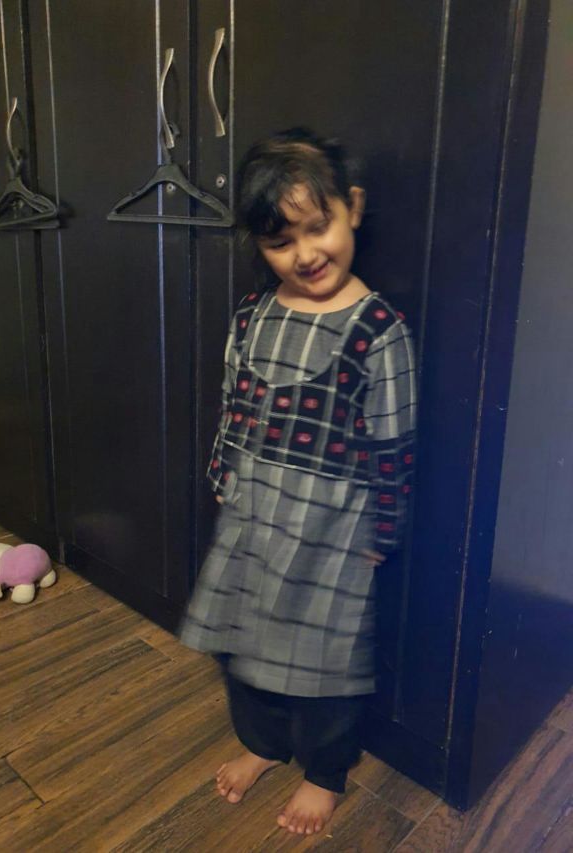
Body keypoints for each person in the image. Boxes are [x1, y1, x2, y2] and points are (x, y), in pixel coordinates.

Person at [178, 127, 416, 836]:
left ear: (353, 208)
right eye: (281, 241)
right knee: (241, 645)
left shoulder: (378, 331)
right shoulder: (253, 315)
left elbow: (394, 442)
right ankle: (260, 743)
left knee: (324, 665)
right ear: (260, 244)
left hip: (332, 530)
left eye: (319, 228)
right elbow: (233, 402)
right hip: (254, 516)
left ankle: (323, 770)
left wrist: (384, 529)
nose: (306, 253)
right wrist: (222, 474)